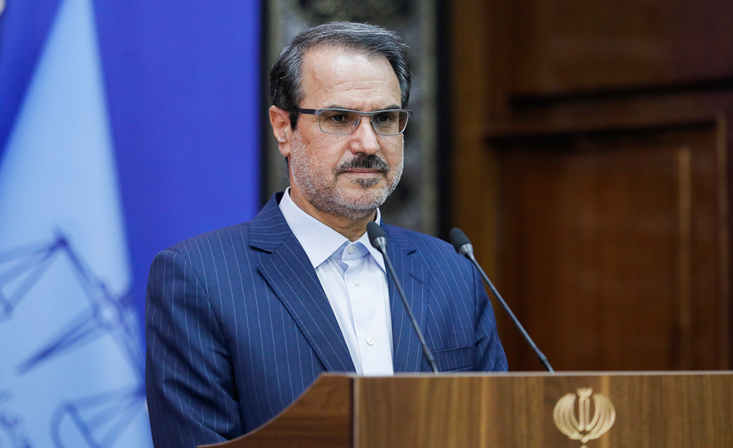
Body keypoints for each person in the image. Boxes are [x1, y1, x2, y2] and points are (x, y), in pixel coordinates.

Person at [145, 21, 508, 448]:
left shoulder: (452, 271)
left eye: (385, 119)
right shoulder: (200, 278)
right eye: (339, 118)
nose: (368, 144)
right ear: (283, 128)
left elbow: (496, 430)